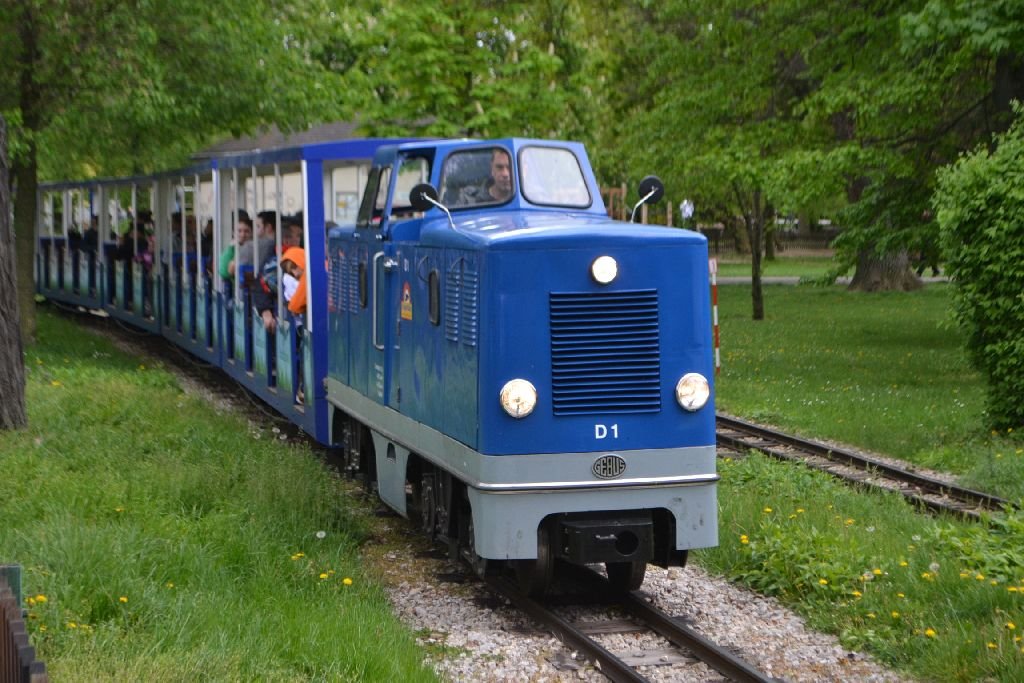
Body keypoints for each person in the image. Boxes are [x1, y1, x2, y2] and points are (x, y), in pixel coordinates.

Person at [220, 211, 252, 279]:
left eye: (246, 231)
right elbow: (224, 273)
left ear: (252, 233)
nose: (243, 235)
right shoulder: (231, 249)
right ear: (233, 233)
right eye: (239, 231)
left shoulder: (254, 249)